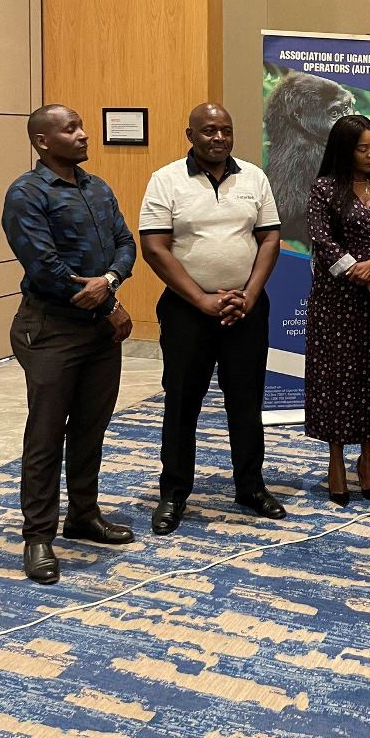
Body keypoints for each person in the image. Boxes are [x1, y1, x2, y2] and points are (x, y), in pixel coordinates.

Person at [2, 105, 136, 584]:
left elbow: (126, 243)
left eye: (81, 127)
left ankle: (83, 514)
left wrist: (111, 280)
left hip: (99, 332)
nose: (83, 135)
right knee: (45, 435)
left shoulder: (97, 187)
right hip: (52, 329)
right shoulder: (26, 193)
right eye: (71, 129)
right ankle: (38, 536)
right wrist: (109, 305)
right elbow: (45, 268)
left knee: (90, 427)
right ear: (43, 141)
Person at [139, 103, 284, 534]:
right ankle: (174, 492)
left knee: (246, 401)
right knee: (182, 402)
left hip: (246, 309)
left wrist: (251, 295)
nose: (219, 137)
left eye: (226, 130)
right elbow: (154, 247)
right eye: (209, 130)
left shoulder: (253, 177)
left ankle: (250, 486)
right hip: (187, 311)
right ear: (190, 135)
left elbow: (270, 237)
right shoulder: (166, 180)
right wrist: (201, 299)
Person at [305, 115, 370, 504]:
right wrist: (367, 278)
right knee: (335, 380)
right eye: (363, 148)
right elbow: (323, 242)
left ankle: (368, 460)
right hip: (336, 302)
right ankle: (335, 461)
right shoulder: (325, 189)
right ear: (344, 150)